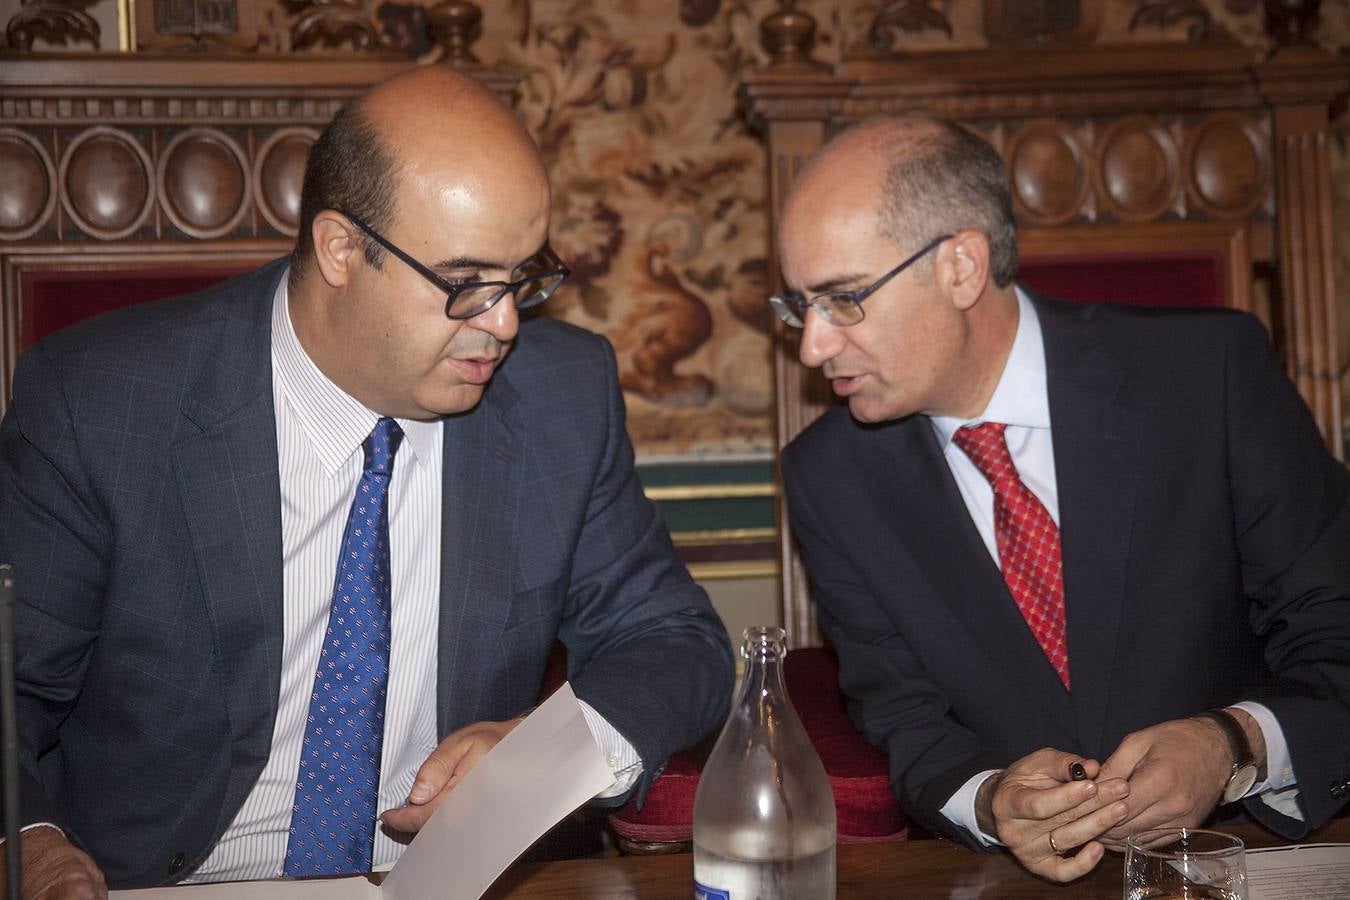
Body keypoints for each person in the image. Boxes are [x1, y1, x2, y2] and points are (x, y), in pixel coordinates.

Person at [0, 66, 733, 897]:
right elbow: (10, 687)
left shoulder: (559, 399)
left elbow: (675, 640)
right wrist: (26, 842)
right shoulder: (103, 405)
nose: (503, 323)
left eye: (523, 276)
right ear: (341, 250)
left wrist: (543, 754)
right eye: (466, 282)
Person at [773, 114, 1350, 883]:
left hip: (1248, 850)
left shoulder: (1205, 375)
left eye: (844, 299)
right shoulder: (829, 475)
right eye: (798, 305)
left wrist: (1233, 745)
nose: (811, 345)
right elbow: (901, 714)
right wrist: (990, 802)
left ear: (961, 267)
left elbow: (1335, 629)